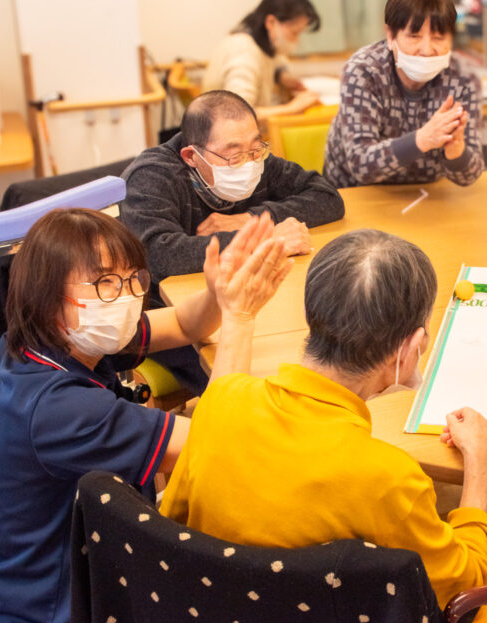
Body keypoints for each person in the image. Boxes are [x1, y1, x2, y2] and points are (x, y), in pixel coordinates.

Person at [161, 229, 487, 623]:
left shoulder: (220, 400)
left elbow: (174, 523)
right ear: (408, 347)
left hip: (219, 622)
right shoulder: (389, 478)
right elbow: (465, 582)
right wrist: (479, 469)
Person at [0, 209, 291, 623]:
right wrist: (240, 317)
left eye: (132, 279)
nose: (125, 297)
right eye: (105, 282)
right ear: (47, 294)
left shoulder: (43, 341)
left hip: (33, 593)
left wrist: (218, 293)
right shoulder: (60, 410)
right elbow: (217, 441)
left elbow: (183, 323)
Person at [121, 90, 344, 395]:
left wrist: (252, 218)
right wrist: (261, 238)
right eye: (234, 155)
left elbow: (327, 197)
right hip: (173, 319)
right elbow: (161, 255)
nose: (249, 163)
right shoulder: (152, 176)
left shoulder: (255, 161)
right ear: (191, 156)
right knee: (253, 388)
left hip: (244, 301)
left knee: (313, 358)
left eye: (255, 148)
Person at [323, 0, 484, 188]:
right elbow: (361, 165)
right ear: (391, 36)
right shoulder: (364, 71)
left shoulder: (464, 79)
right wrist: (423, 139)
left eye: (438, 37)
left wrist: (456, 149)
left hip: (425, 193)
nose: (427, 50)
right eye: (414, 36)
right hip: (355, 192)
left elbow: (470, 176)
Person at [202, 0, 322, 123]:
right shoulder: (243, 50)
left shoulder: (262, 43)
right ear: (271, 22)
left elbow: (277, 62)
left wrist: (282, 77)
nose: (297, 41)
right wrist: (292, 108)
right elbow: (236, 114)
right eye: (294, 33)